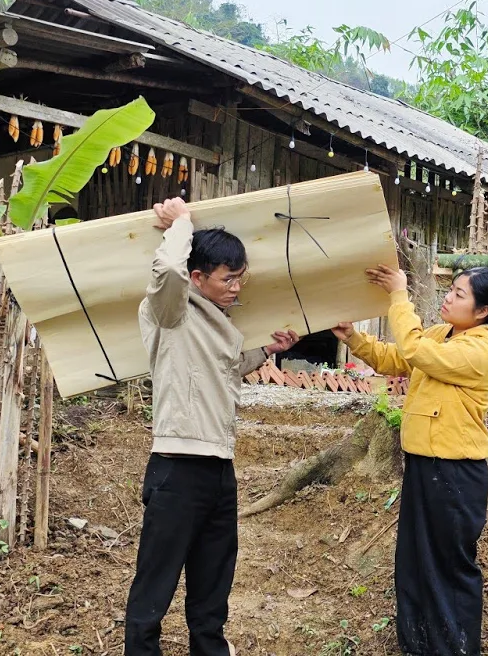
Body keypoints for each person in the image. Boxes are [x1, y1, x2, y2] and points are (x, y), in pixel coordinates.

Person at [125, 197, 300, 656]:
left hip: (219, 467)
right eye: (229, 278)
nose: (237, 287)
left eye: (241, 277)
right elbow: (167, 270)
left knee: (213, 585)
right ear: (198, 277)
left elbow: (224, 370)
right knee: (155, 587)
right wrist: (182, 222)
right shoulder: (171, 309)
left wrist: (267, 351)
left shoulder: (219, 322)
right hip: (177, 466)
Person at [332, 265, 488, 656]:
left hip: (455, 474)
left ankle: (456, 648)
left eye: (460, 295)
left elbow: (416, 350)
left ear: (483, 312)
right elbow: (394, 358)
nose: (448, 298)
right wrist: (353, 338)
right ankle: (418, 645)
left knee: (449, 566)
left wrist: (399, 295)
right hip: (423, 466)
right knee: (415, 561)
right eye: (452, 290)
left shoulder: (479, 348)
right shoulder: (443, 335)